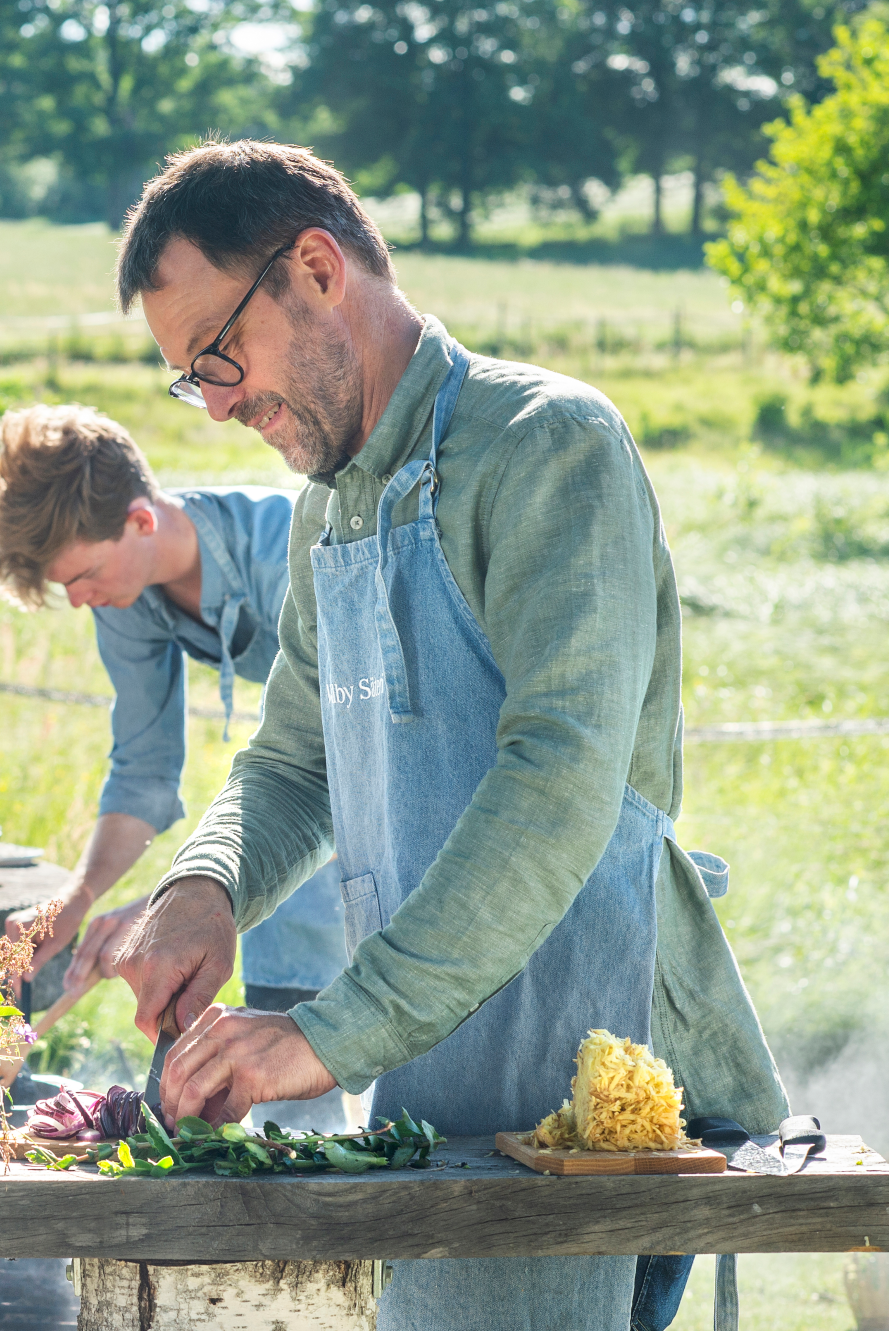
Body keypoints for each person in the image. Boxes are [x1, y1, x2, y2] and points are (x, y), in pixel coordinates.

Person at [107, 141, 785, 1331]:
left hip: (585, 1102)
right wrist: (205, 883)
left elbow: (556, 781)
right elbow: (294, 760)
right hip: (430, 1088)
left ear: (313, 268)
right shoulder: (329, 502)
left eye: (218, 353)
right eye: (189, 378)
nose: (213, 403)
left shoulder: (547, 447)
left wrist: (324, 1030)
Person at [0, 402, 349, 1132]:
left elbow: (326, 765)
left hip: (372, 787)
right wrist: (77, 899)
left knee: (304, 968)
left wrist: (169, 901)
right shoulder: (128, 597)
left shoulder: (291, 558)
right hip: (310, 801)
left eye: (82, 574)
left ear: (142, 521)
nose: (79, 600)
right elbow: (145, 767)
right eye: (66, 588)